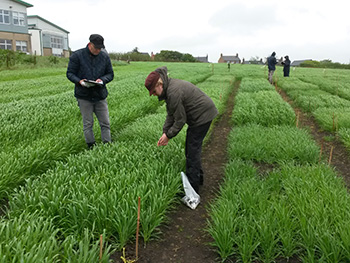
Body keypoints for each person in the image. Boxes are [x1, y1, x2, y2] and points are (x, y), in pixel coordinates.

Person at [144, 66, 218, 195]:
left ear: (159, 84)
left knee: (192, 152)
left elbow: (180, 120)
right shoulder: (169, 88)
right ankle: (197, 180)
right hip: (201, 115)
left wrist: (168, 135)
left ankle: (192, 192)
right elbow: (171, 114)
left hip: (202, 116)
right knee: (192, 149)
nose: (154, 94)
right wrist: (165, 132)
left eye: (154, 91)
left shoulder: (173, 92)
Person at [67, 34, 114, 149]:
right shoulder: (77, 56)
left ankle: (107, 145)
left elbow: (110, 74)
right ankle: (91, 147)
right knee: (88, 123)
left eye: (100, 48)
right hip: (84, 95)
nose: (98, 50)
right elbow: (70, 73)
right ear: (90, 44)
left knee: (105, 123)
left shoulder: (104, 56)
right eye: (96, 48)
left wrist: (102, 80)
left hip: (100, 95)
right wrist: (80, 82)